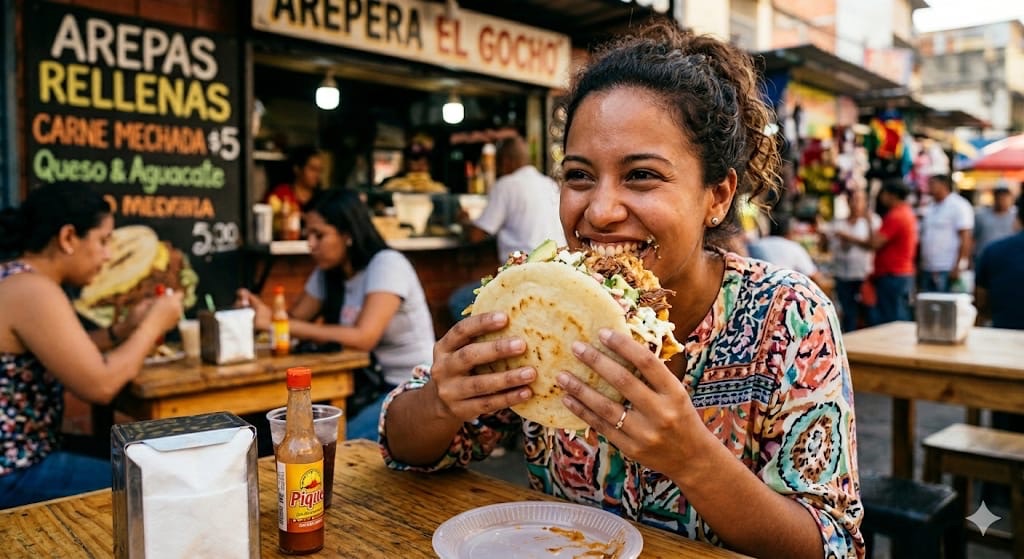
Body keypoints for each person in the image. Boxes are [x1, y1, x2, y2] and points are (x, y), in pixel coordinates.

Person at [380, 24, 862, 558]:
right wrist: (441, 401)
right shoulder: (540, 304)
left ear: (718, 196)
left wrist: (693, 458)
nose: (601, 211)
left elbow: (832, 545)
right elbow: (404, 447)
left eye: (641, 176)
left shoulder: (789, 315)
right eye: (580, 176)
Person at [0, 183, 183, 508]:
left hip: (30, 456)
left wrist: (124, 329)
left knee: (129, 456)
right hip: (14, 472)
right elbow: (101, 385)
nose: (108, 255)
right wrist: (155, 323)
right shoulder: (33, 291)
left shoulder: (17, 278)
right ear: (68, 238)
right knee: (155, 484)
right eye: (102, 240)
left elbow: (69, 351)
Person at [237, 188, 435, 440]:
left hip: (412, 385)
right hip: (366, 386)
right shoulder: (327, 274)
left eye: (319, 235)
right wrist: (265, 315)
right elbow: (296, 322)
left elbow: (364, 337)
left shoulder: (387, 264)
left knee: (339, 440)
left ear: (348, 234)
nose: (311, 245)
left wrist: (278, 323)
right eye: (308, 235)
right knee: (286, 430)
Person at [447, 136, 566, 320]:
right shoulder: (549, 184)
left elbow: (476, 235)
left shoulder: (506, 185)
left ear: (507, 161)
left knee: (459, 302)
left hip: (523, 278)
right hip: (559, 274)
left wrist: (463, 221)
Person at [976, 193, 1024, 435]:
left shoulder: (994, 251)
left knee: (1004, 426)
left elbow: (981, 303)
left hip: (1004, 350)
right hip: (1005, 348)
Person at [842, 180, 917, 325]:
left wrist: (848, 236)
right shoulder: (905, 213)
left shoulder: (896, 216)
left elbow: (874, 243)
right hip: (897, 273)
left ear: (891, 195)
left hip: (893, 274)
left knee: (892, 318)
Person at [827, 190, 879, 331]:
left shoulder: (872, 221)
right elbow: (830, 246)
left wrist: (848, 237)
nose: (856, 204)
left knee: (869, 312)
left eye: (859, 200)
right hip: (842, 274)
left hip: (864, 274)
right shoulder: (837, 223)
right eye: (853, 200)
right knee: (848, 313)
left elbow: (873, 244)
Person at [919, 174, 973, 293]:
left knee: (946, 306)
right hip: (928, 267)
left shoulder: (959, 205)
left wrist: (960, 266)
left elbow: (966, 237)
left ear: (944, 185)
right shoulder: (930, 206)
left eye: (932, 184)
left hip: (948, 267)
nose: (929, 187)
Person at [747, 212, 826, 286]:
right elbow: (813, 275)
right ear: (788, 231)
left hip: (756, 291)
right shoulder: (794, 247)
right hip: (784, 293)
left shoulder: (754, 245)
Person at [264, 145, 325, 209]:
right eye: (313, 169)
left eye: (320, 170)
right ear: (297, 169)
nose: (317, 175)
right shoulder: (281, 194)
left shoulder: (323, 199)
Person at [380, 137, 447, 193]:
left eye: (423, 164)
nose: (419, 167)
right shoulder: (392, 184)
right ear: (406, 165)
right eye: (414, 163)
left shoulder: (437, 187)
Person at [973, 184, 1016, 263]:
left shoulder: (1016, 216)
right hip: (984, 258)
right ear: (995, 198)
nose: (1003, 202)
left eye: (1006, 198)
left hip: (1009, 258)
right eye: (1000, 198)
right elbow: (973, 238)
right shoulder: (981, 216)